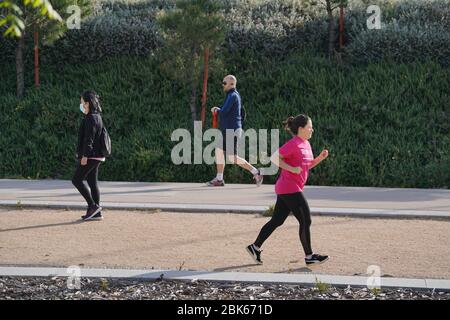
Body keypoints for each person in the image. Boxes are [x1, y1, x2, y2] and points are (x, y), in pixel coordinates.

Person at [246, 114, 329, 265]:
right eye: (310, 127)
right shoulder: (294, 143)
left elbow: (306, 166)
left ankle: (255, 247)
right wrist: (291, 168)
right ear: (301, 129)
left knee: (277, 220)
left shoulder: (306, 144)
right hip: (289, 187)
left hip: (287, 188)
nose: (312, 130)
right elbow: (274, 158)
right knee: (306, 219)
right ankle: (309, 256)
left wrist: (319, 158)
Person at [207, 75, 263, 187]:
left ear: (231, 84)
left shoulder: (233, 95)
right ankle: (219, 179)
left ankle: (256, 173)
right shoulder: (231, 95)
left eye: (224, 83)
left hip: (232, 130)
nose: (222, 85)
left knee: (233, 157)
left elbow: (224, 111)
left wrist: (216, 109)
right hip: (228, 130)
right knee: (219, 151)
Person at [72, 90, 106, 221]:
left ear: (87, 103)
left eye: (82, 102)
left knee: (76, 180)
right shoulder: (97, 116)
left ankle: (92, 206)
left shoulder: (90, 118)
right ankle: (96, 213)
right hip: (97, 155)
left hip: (91, 155)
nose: (81, 105)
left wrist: (84, 156)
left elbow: (89, 139)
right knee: (92, 182)